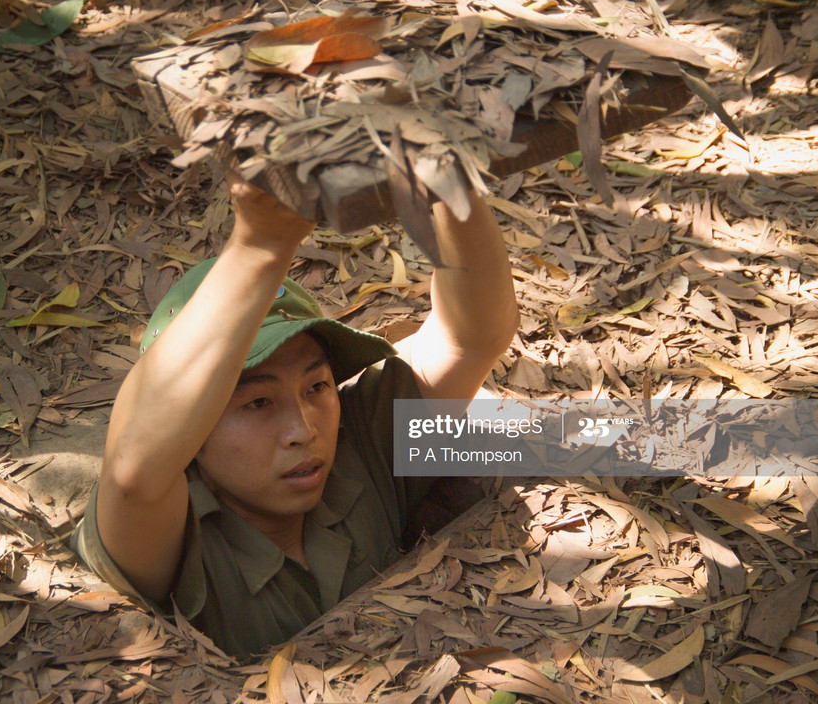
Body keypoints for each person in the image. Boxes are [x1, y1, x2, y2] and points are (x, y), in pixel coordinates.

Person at [74, 173, 519, 658]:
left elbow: (469, 339)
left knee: (581, 437)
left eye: (316, 387)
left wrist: (449, 182)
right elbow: (133, 470)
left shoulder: (359, 440)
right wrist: (261, 243)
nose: (303, 430)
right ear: (192, 433)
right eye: (257, 403)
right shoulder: (169, 531)